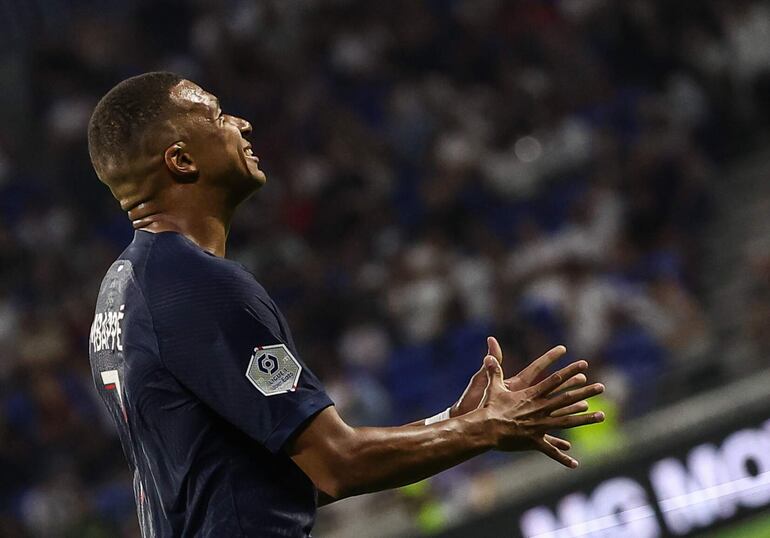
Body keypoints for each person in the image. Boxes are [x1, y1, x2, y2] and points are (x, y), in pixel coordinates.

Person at [86, 72, 605, 538]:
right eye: (219, 116)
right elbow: (337, 463)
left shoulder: (123, 292)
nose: (242, 125)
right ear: (180, 159)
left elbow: (283, 480)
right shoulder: (198, 285)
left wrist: (452, 421)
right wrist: (487, 428)